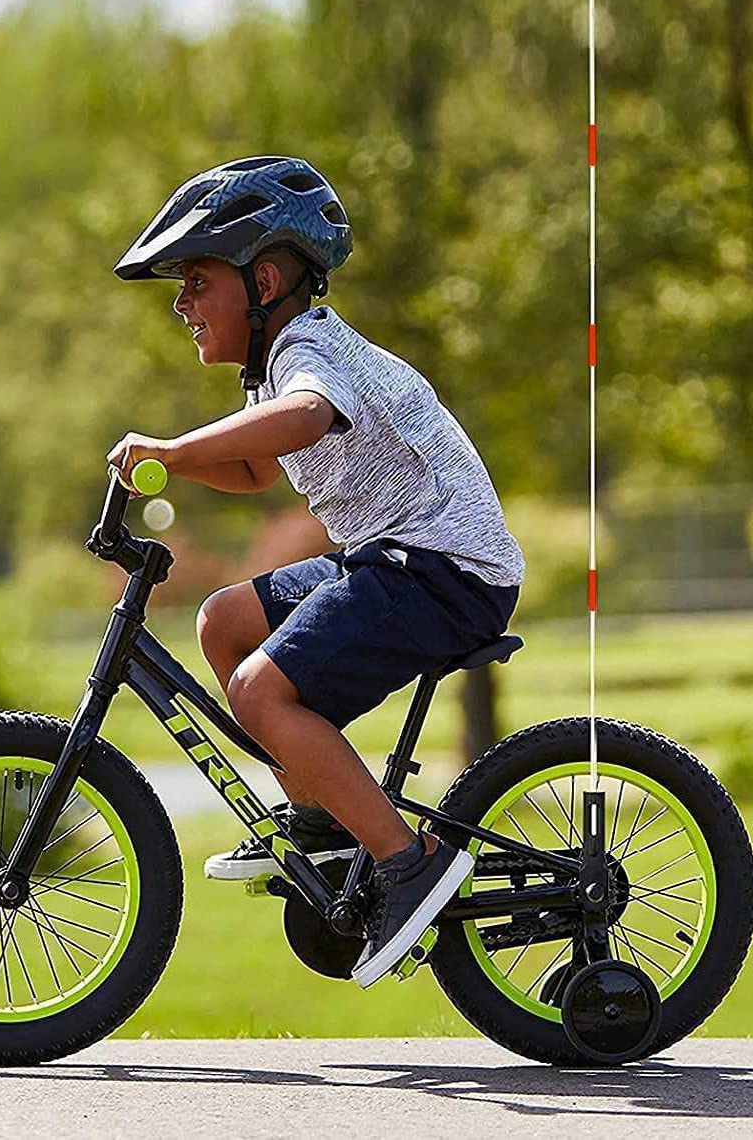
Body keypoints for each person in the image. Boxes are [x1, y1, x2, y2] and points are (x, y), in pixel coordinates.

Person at [109, 155, 525, 987]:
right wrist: (173, 467)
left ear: (264, 279)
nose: (180, 303)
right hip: (389, 560)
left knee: (261, 691)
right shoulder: (274, 365)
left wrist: (174, 446)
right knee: (224, 621)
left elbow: (303, 418)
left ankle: (410, 863)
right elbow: (261, 467)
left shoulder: (307, 350)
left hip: (443, 568)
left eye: (195, 280)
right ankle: (324, 825)